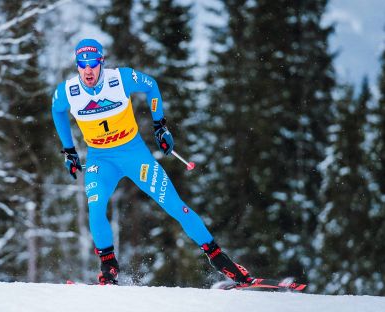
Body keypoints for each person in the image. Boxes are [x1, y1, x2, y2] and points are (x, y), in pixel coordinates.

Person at [51, 38, 253, 286]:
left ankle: (222, 261)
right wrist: (69, 151)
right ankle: (109, 270)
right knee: (95, 208)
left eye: (93, 63)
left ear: (101, 62)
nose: (88, 70)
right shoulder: (67, 91)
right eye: (82, 64)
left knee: (175, 205)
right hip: (100, 159)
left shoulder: (120, 79)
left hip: (133, 153)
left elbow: (152, 86)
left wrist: (160, 126)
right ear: (77, 65)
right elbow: (57, 111)